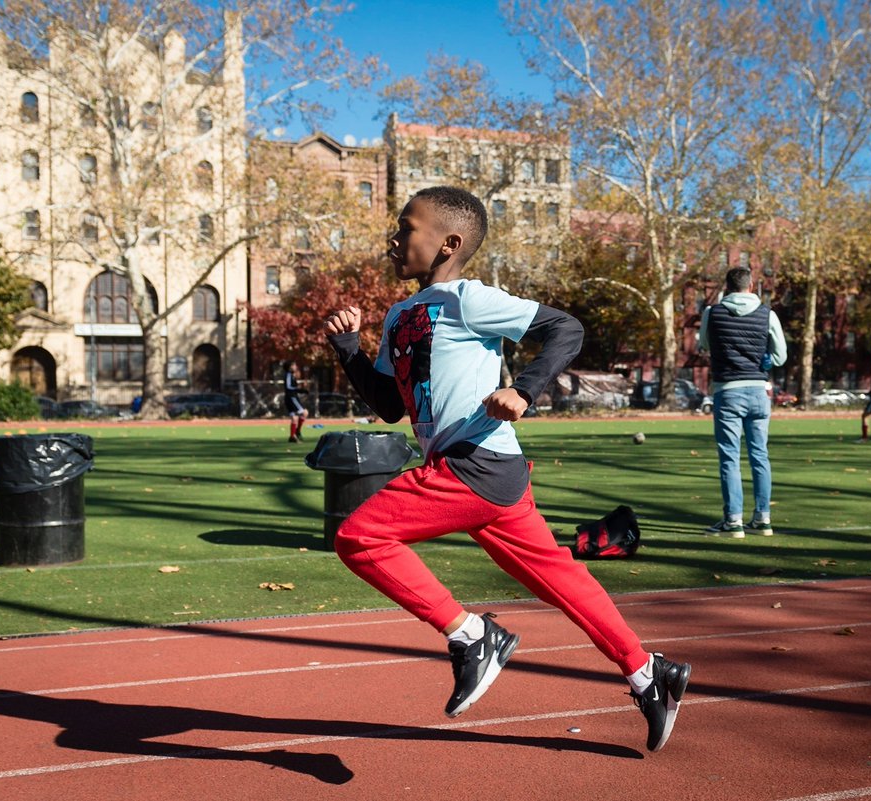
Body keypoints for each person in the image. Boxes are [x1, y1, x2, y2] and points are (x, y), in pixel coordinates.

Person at [323, 185, 690, 753]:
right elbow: (390, 405)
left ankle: (474, 637)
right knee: (564, 581)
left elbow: (566, 329)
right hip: (486, 473)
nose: (393, 240)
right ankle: (648, 674)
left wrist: (523, 389)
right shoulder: (399, 316)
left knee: (359, 536)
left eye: (405, 229)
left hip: (477, 464)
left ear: (447, 243)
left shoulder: (469, 300)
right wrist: (348, 347)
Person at [697, 267, 787, 538]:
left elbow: (704, 346)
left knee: (730, 458)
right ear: (752, 286)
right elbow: (780, 356)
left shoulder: (712, 313)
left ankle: (733, 521)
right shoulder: (767, 314)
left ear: (727, 287)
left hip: (728, 390)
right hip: (759, 390)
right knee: (760, 455)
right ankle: (762, 519)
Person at [283, 360, 307, 443]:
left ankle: (292, 436)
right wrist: (300, 390)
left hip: (291, 397)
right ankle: (297, 431)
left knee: (294, 417)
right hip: (291, 398)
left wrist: (300, 390)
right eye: (294, 365)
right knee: (304, 413)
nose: (295, 367)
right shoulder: (289, 374)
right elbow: (289, 387)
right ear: (290, 367)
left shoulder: (291, 375)